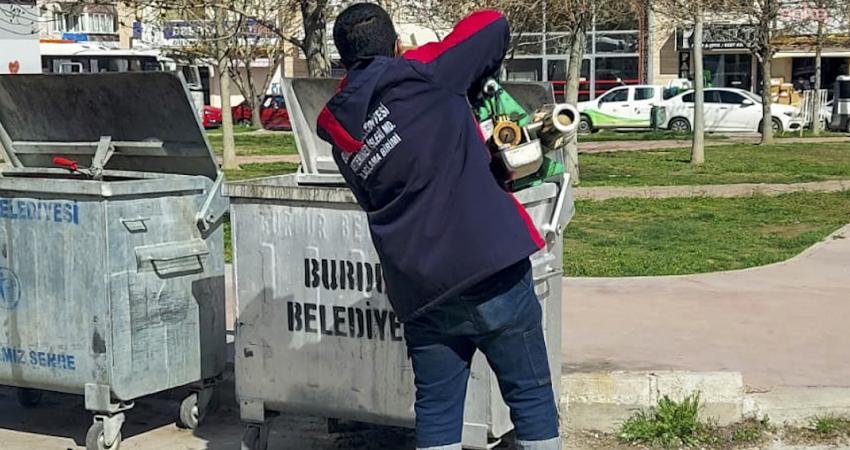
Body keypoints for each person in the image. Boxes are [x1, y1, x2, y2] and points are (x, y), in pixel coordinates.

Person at [317, 4, 560, 450]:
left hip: (422, 291)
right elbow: (493, 23)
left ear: (343, 60)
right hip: (491, 270)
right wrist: (420, 56)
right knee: (530, 395)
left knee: (437, 409)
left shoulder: (342, 134)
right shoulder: (422, 73)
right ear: (393, 44)